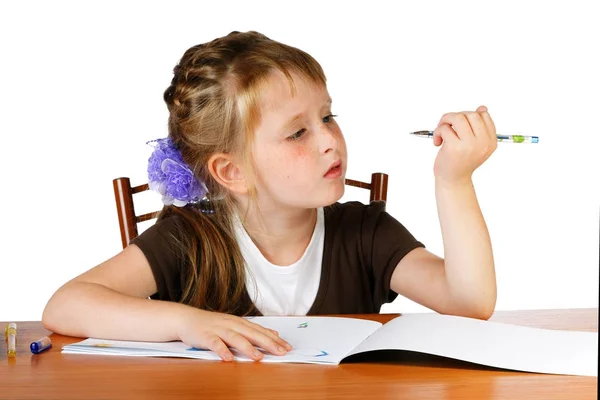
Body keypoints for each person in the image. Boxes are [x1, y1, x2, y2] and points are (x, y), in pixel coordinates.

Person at [42, 30, 498, 362]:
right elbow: (65, 305)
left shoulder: (366, 232)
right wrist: (186, 321)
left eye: (328, 116)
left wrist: (453, 181)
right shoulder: (190, 237)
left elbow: (469, 303)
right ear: (232, 171)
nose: (329, 141)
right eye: (298, 132)